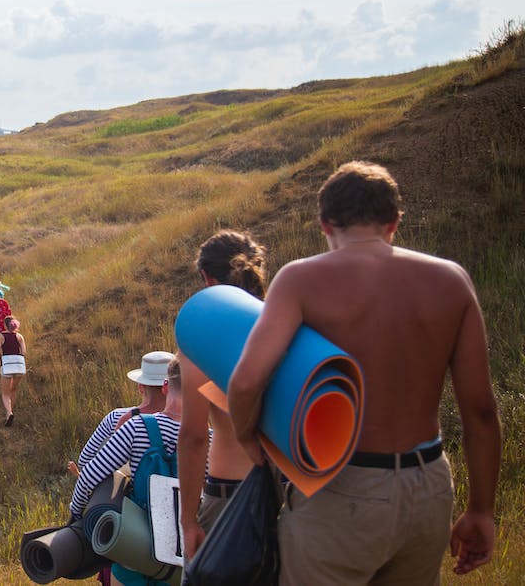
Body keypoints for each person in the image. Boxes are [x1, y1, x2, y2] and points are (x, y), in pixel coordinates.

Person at [227, 161, 501, 583]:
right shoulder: (452, 281)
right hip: (427, 486)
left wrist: (246, 436)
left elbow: (246, 381)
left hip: (341, 486)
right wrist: (482, 509)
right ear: (394, 222)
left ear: (324, 224)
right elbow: (481, 411)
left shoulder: (300, 279)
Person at [176, 230, 269, 561]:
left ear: (206, 278)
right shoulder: (285, 320)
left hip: (230, 497)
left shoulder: (202, 333)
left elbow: (194, 437)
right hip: (291, 493)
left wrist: (188, 520)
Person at [68, 354, 181, 586]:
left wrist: (76, 514)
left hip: (131, 538)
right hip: (178, 551)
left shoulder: (127, 422)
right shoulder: (206, 435)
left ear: (141, 386)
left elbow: (87, 466)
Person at [67, 351, 170, 477]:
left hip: (129, 495)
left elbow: (85, 461)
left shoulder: (116, 418)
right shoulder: (188, 422)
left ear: (140, 387)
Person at [0, 317, 27, 426]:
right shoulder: (19, 336)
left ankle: (9, 413)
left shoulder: (0, 336)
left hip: (7, 365)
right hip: (19, 366)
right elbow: (24, 352)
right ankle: (10, 411)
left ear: (5, 325)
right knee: (13, 389)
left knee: (5, 393)